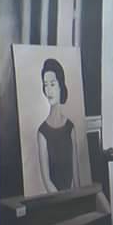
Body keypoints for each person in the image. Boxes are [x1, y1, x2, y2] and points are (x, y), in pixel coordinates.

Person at [37, 58, 80, 193]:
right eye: (46, 85)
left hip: (73, 197)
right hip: (55, 200)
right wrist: (63, 200)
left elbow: (76, 176)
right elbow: (47, 180)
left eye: (52, 84)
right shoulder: (42, 132)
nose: (49, 90)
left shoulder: (70, 128)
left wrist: (77, 198)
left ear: (61, 84)